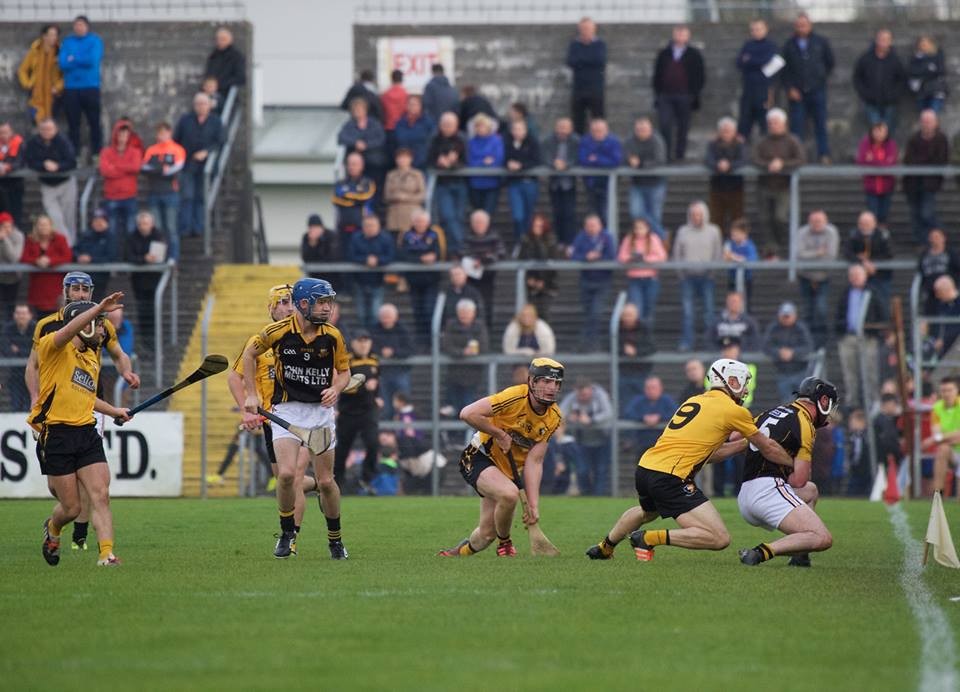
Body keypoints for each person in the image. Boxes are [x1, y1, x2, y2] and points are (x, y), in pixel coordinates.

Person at [585, 358, 793, 561]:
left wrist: (742, 444)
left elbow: (708, 455)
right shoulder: (734, 410)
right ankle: (647, 538)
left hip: (646, 468)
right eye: (743, 382)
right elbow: (767, 447)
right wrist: (795, 464)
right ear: (731, 381)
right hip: (670, 477)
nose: (746, 390)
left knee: (647, 513)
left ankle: (605, 547)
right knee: (719, 538)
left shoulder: (694, 400)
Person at [242, 278, 352, 560]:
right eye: (321, 302)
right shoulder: (276, 332)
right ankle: (287, 532)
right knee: (287, 475)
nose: (327, 308)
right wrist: (251, 395)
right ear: (304, 304)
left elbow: (344, 372)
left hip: (320, 414)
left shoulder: (333, 336)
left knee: (325, 481)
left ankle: (335, 540)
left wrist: (336, 389)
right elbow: (249, 354)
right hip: (287, 410)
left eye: (329, 302)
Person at [33, 293, 131, 567]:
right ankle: (53, 527)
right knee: (72, 508)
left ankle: (106, 554)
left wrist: (115, 411)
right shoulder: (51, 346)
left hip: (86, 433)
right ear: (83, 325)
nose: (103, 330)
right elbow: (67, 331)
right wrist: (98, 308)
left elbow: (87, 397)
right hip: (56, 434)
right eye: (98, 325)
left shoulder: (90, 358)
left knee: (100, 494)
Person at [439, 358, 563, 557]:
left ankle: (456, 554)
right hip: (478, 456)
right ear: (532, 381)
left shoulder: (554, 417)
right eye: (546, 381)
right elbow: (467, 413)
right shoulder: (514, 397)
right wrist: (499, 434)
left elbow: (535, 461)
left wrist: (533, 505)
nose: (552, 388)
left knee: (486, 534)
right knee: (509, 494)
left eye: (556, 383)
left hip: (506, 471)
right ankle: (505, 543)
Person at [737, 377, 839, 567]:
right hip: (767, 492)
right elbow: (799, 480)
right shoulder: (804, 422)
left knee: (810, 491)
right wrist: (791, 464)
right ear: (823, 401)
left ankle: (800, 555)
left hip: (745, 494)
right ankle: (760, 553)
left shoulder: (771, 412)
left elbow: (737, 437)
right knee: (823, 538)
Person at [213, 284, 295, 499]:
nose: (290, 308)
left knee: (292, 477)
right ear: (271, 308)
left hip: (302, 416)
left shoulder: (310, 337)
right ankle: (319, 487)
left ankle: (322, 488)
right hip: (272, 421)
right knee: (284, 481)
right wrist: (246, 411)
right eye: (283, 302)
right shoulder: (260, 341)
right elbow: (234, 378)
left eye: (294, 302)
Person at [781, 12, 834, 163]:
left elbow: (830, 62)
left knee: (820, 124)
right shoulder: (789, 45)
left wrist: (820, 77)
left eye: (804, 25)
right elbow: (784, 70)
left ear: (810, 25)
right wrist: (790, 88)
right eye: (798, 25)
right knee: (796, 127)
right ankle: (797, 157)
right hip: (797, 93)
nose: (801, 28)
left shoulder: (821, 42)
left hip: (817, 90)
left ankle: (824, 155)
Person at [334, 331, 381, 493]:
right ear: (353, 343)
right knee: (342, 449)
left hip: (368, 411)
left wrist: (377, 396)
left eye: (366, 341)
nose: (363, 345)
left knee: (373, 443)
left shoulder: (374, 359)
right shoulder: (346, 361)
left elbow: (377, 381)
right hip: (348, 411)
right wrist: (362, 387)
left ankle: (367, 478)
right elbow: (342, 385)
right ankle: (337, 482)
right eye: (360, 341)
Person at [752, 108, 805, 252]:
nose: (773, 126)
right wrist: (768, 165)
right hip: (764, 184)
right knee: (764, 218)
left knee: (780, 217)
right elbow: (754, 158)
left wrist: (783, 164)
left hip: (784, 186)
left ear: (784, 124)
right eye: (770, 123)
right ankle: (770, 247)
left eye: (776, 123)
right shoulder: (762, 141)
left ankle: (781, 243)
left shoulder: (792, 141)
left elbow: (800, 159)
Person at [673, 200, 722, 351]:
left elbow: (717, 252)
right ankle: (687, 342)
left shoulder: (714, 231)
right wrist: (681, 273)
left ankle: (710, 343)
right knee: (688, 312)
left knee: (709, 312)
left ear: (705, 215)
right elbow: (677, 253)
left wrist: (713, 272)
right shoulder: (682, 231)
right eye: (693, 214)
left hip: (707, 277)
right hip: (687, 277)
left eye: (699, 214)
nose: (696, 217)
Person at [652, 25, 705, 161]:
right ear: (674, 35)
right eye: (678, 33)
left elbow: (700, 75)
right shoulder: (664, 53)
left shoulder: (694, 54)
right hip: (665, 96)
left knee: (683, 127)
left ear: (688, 36)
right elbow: (657, 74)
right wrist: (658, 93)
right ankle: (666, 155)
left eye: (683, 34)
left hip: (685, 96)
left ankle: (680, 155)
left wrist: (693, 94)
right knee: (664, 124)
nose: (680, 36)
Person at [174, 93, 223, 237]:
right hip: (188, 165)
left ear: (209, 106)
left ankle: (199, 228)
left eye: (204, 104)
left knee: (201, 197)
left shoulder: (216, 121)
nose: (201, 107)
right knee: (187, 196)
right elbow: (176, 140)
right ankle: (185, 228)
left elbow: (220, 141)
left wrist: (206, 152)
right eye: (198, 104)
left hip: (206, 166)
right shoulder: (185, 120)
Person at [835, 264, 883, 410]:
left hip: (867, 338)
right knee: (849, 373)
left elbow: (881, 313)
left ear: (865, 276)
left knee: (870, 371)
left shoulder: (873, 292)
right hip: (848, 338)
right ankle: (853, 403)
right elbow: (839, 314)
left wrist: (874, 330)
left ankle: (873, 402)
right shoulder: (845, 293)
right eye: (852, 275)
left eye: (858, 275)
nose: (855, 278)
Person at [24, 118, 77, 244]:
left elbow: (72, 161)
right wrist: (43, 165)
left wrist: (58, 166)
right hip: (47, 184)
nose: (46, 132)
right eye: (43, 129)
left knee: (68, 217)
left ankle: (71, 245)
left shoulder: (63, 141)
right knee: (55, 217)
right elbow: (30, 162)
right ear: (39, 130)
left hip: (66, 182)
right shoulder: (33, 142)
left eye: (49, 129)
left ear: (55, 129)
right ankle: (67, 245)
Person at [398, 209, 445, 352]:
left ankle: (432, 341)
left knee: (429, 310)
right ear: (413, 222)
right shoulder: (406, 236)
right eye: (418, 221)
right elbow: (403, 255)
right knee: (417, 312)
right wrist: (421, 259)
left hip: (431, 280)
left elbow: (439, 253)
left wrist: (429, 257)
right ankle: (421, 342)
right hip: (414, 281)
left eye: (423, 221)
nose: (420, 224)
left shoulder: (434, 235)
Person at [58, 16, 103, 159]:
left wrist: (74, 58)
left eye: (81, 25)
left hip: (90, 87)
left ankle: (96, 153)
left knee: (94, 122)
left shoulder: (95, 41)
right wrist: (79, 59)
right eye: (76, 25)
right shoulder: (68, 42)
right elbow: (63, 63)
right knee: (73, 124)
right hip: (71, 88)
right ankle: (74, 155)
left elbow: (92, 60)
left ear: (87, 27)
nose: (79, 27)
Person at [560, 379, 613, 496]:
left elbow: (608, 414)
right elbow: (560, 413)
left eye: (585, 394)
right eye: (580, 395)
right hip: (581, 441)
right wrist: (570, 417)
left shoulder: (600, 395)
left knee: (601, 470)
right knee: (582, 470)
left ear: (591, 389)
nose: (582, 398)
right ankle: (586, 495)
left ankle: (599, 497)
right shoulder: (572, 397)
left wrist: (591, 420)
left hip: (602, 439)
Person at [570, 213, 616, 350]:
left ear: (600, 226)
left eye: (594, 225)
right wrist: (586, 257)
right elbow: (573, 255)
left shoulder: (607, 237)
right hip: (586, 280)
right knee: (588, 313)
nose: (591, 228)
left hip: (602, 281)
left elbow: (612, 256)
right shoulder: (581, 237)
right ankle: (589, 343)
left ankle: (589, 343)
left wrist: (598, 258)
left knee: (596, 313)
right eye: (588, 225)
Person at [141, 122, 186, 260]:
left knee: (171, 227)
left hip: (170, 192)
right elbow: (144, 168)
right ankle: (159, 258)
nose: (162, 136)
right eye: (160, 133)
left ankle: (173, 258)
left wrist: (157, 169)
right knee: (157, 228)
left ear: (169, 133)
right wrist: (161, 169)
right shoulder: (151, 150)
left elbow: (175, 169)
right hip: (154, 191)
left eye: (164, 133)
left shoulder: (177, 149)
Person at [903, 109, 948, 246]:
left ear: (936, 123)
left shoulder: (941, 139)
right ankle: (923, 244)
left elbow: (940, 160)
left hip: (930, 184)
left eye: (929, 121)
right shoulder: (913, 139)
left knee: (927, 214)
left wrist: (922, 162)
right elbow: (908, 160)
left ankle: (940, 240)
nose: (926, 124)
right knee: (915, 216)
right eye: (924, 121)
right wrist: (926, 161)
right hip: (912, 184)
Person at [796, 210, 839, 348]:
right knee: (807, 310)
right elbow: (799, 255)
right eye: (813, 221)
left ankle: (821, 344)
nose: (816, 224)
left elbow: (831, 256)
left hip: (824, 277)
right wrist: (818, 253)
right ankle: (807, 343)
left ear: (826, 221)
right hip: (805, 276)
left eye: (819, 221)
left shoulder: (831, 232)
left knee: (821, 310)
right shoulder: (802, 232)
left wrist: (810, 256)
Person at [441, 298, 489, 418]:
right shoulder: (451, 325)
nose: (464, 315)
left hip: (473, 373)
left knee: (468, 404)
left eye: (467, 313)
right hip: (454, 372)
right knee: (454, 406)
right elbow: (446, 346)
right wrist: (462, 352)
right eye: (462, 312)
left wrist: (475, 352)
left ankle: (467, 428)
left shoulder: (479, 326)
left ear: (473, 313)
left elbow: (484, 346)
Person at [427, 112, 467, 255]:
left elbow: (467, 161)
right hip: (442, 184)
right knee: (448, 216)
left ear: (456, 126)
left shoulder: (462, 140)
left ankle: (456, 248)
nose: (447, 127)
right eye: (445, 124)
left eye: (450, 125)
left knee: (459, 217)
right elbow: (428, 161)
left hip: (460, 183)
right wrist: (440, 163)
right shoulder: (434, 140)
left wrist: (453, 163)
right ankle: (460, 246)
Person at [853, 29, 906, 132]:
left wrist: (894, 95)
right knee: (875, 133)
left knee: (888, 133)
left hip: (890, 104)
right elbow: (857, 77)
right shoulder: (866, 58)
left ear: (890, 42)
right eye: (881, 39)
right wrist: (865, 94)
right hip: (871, 103)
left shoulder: (895, 60)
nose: (883, 42)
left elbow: (902, 79)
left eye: (886, 39)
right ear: (876, 40)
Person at [462, 208, 505, 332]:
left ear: (487, 223)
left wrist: (482, 259)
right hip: (470, 279)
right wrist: (484, 257)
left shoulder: (494, 236)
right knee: (470, 306)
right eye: (476, 222)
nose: (479, 225)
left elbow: (500, 253)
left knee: (487, 306)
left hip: (487, 278)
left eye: (481, 222)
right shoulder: (467, 236)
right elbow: (464, 253)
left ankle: (486, 332)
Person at [617, 217, 666, 327]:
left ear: (647, 228)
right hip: (634, 279)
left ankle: (647, 335)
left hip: (651, 279)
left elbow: (662, 256)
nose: (639, 231)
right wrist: (631, 258)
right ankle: (636, 334)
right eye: (636, 228)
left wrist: (645, 259)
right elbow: (621, 256)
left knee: (649, 309)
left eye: (641, 228)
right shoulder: (629, 239)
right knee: (636, 309)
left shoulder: (653, 239)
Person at [127, 211, 166, 348]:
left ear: (152, 224)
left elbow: (160, 256)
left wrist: (146, 259)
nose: (143, 226)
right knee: (142, 311)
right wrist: (144, 259)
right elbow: (128, 256)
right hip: (138, 280)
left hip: (154, 279)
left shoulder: (159, 236)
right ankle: (146, 341)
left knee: (153, 310)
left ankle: (154, 340)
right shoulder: (132, 237)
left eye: (146, 223)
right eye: (141, 224)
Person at [623, 116, 667, 237]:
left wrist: (640, 163)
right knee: (635, 213)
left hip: (656, 184)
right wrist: (629, 160)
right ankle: (663, 235)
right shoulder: (630, 141)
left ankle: (655, 242)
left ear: (650, 129)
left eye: (644, 129)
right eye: (639, 129)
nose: (641, 132)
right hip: (637, 184)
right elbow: (625, 156)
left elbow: (660, 160)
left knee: (655, 216)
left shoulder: (657, 141)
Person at [348, 214, 394, 329]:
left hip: (378, 282)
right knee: (361, 314)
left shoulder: (386, 238)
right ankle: (363, 335)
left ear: (378, 226)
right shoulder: (356, 238)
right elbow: (351, 256)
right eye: (367, 225)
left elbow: (391, 256)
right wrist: (365, 260)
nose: (370, 228)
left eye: (373, 225)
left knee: (375, 314)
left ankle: (374, 337)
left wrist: (378, 260)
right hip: (359, 281)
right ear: (363, 227)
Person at [845, 210, 894, 318]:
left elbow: (889, 254)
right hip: (860, 278)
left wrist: (872, 262)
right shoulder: (854, 235)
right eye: (862, 223)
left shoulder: (883, 235)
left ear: (874, 223)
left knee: (882, 302)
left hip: (881, 276)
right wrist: (862, 262)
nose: (864, 226)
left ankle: (883, 324)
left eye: (867, 224)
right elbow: (848, 252)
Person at [99, 118, 143, 238]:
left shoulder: (135, 152)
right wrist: (125, 169)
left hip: (129, 196)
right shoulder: (106, 152)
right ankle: (113, 251)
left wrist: (115, 166)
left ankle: (130, 251)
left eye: (125, 134)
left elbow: (136, 167)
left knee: (131, 230)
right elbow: (105, 171)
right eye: (120, 134)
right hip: (111, 196)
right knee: (112, 231)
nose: (123, 137)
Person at [20, 215, 71, 317]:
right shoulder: (30, 240)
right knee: (39, 319)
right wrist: (36, 261)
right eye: (41, 224)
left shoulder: (60, 239)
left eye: (46, 224)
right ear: (36, 226)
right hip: (37, 287)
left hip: (55, 287)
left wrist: (50, 261)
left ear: (51, 226)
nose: (43, 227)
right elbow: (24, 257)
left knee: (56, 319)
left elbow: (67, 256)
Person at [762, 302, 814, 402]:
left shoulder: (801, 328)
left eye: (788, 316)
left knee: (803, 401)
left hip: (800, 371)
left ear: (795, 316)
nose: (786, 319)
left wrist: (793, 353)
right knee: (786, 403)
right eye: (784, 316)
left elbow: (808, 346)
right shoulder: (774, 328)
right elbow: (766, 346)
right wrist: (779, 352)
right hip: (782, 372)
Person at [736, 18, 777, 140]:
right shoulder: (748, 45)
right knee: (744, 123)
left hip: (764, 90)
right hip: (748, 90)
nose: (755, 32)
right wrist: (755, 62)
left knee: (764, 123)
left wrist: (749, 60)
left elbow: (766, 61)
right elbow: (739, 63)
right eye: (753, 30)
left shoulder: (771, 46)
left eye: (758, 29)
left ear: (766, 29)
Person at [370, 303, 413, 420]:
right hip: (382, 373)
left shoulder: (403, 330)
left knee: (403, 404)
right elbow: (369, 348)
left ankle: (404, 428)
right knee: (385, 406)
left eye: (388, 317)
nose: (386, 320)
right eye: (384, 317)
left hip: (400, 372)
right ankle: (386, 429)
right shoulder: (374, 330)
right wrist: (381, 352)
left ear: (396, 317)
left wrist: (393, 352)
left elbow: (410, 349)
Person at [541, 117, 579, 246]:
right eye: (560, 127)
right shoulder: (548, 140)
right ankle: (559, 243)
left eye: (565, 128)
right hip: (554, 183)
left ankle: (569, 243)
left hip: (569, 184)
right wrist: (553, 164)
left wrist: (566, 165)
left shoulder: (576, 141)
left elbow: (577, 157)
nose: (562, 130)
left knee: (569, 214)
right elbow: (544, 156)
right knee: (556, 213)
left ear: (571, 129)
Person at [705, 117, 747, 235]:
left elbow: (743, 160)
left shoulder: (740, 144)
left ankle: (738, 242)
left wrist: (730, 165)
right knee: (716, 219)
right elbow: (708, 160)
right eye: (724, 131)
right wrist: (717, 165)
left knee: (737, 219)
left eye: (729, 131)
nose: (726, 133)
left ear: (734, 132)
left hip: (735, 187)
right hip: (717, 187)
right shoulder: (712, 144)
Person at [338, 97, 387, 197]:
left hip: (372, 162)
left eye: (360, 109)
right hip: (355, 163)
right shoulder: (349, 125)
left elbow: (381, 139)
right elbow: (341, 138)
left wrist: (367, 145)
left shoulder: (375, 124)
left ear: (365, 110)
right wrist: (355, 143)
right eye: (355, 110)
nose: (358, 112)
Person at [566, 17, 606, 134]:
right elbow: (571, 62)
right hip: (578, 88)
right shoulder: (574, 44)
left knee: (598, 119)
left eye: (588, 28)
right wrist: (589, 60)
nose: (586, 31)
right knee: (578, 121)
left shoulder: (600, 44)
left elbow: (600, 61)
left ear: (594, 29)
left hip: (596, 88)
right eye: (583, 28)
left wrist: (582, 60)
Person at [504, 119, 541, 245]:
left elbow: (536, 160)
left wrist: (521, 166)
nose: (517, 132)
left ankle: (526, 243)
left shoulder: (532, 142)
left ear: (525, 130)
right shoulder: (507, 142)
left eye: (520, 129)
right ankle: (519, 240)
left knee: (528, 215)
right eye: (515, 129)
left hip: (530, 183)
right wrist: (508, 163)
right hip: (514, 183)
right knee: (517, 215)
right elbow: (503, 158)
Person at [578, 118, 622, 223]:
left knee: (606, 212)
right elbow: (583, 160)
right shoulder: (585, 141)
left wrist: (597, 159)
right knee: (593, 213)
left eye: (600, 130)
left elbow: (615, 161)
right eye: (594, 131)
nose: (597, 133)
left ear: (606, 130)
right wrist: (602, 161)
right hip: (591, 182)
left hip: (608, 183)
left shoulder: (614, 141)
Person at [18, 24, 63, 124]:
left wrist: (58, 87)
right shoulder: (35, 51)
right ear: (44, 36)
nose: (53, 38)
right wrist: (28, 84)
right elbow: (22, 70)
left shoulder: (60, 52)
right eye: (51, 35)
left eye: (55, 35)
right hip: (36, 94)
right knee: (36, 121)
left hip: (53, 94)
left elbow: (67, 74)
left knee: (51, 123)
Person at [922, 376, 960, 496]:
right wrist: (942, 438)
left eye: (950, 390)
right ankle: (938, 494)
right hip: (952, 451)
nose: (946, 394)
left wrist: (935, 439)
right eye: (943, 390)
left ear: (957, 390)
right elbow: (937, 434)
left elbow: (938, 437)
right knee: (942, 449)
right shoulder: (937, 408)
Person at [855, 121, 898, 227]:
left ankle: (882, 234)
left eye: (882, 131)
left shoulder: (891, 144)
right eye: (876, 131)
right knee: (872, 214)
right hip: (871, 186)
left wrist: (872, 160)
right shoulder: (865, 143)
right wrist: (881, 163)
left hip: (887, 185)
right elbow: (861, 161)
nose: (879, 134)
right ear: (872, 131)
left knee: (883, 215)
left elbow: (891, 163)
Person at [517, 213, 559, 319]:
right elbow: (521, 259)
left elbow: (553, 263)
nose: (537, 228)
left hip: (547, 283)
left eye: (540, 226)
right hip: (530, 283)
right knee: (530, 314)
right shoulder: (526, 240)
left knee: (544, 313)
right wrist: (529, 279)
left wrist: (543, 281)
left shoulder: (550, 240)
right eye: (535, 226)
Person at [625, 376, 677, 457]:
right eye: (648, 388)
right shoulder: (639, 400)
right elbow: (628, 413)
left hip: (663, 445)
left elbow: (676, 413)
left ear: (660, 388)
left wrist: (660, 418)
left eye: (653, 388)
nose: (651, 391)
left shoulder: (667, 400)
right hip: (642, 444)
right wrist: (643, 418)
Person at [617, 303, 656, 411]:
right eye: (625, 315)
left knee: (643, 403)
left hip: (642, 372)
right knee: (624, 403)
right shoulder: (616, 328)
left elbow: (652, 347)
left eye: (630, 315)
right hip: (624, 372)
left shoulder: (644, 328)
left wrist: (636, 351)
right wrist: (623, 350)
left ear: (636, 316)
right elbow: (609, 346)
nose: (627, 318)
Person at [332, 152, 375, 250]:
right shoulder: (340, 183)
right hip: (343, 226)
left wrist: (346, 195)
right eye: (350, 164)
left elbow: (366, 196)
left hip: (362, 227)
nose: (352, 167)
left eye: (355, 164)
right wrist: (355, 200)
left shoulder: (368, 182)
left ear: (361, 166)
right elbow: (336, 200)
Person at [466, 114, 504, 216]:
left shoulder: (496, 141)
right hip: (475, 183)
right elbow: (469, 161)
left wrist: (483, 162)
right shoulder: (471, 142)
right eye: (478, 126)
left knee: (488, 214)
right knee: (477, 213)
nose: (480, 128)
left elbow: (498, 159)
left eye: (482, 126)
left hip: (492, 183)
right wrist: (483, 162)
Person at [73, 207, 116, 296]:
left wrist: (91, 259)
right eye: (96, 220)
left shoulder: (111, 237)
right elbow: (74, 250)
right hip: (82, 278)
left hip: (100, 278)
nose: (98, 223)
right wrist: (78, 257)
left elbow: (112, 257)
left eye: (101, 221)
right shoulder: (85, 235)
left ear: (106, 222)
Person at [918, 228, 960, 315]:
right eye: (932, 237)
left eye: (937, 237)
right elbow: (921, 271)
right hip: (931, 293)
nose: (935, 240)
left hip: (948, 292)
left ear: (943, 238)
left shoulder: (951, 253)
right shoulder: (924, 255)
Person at [384, 148, 426, 234]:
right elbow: (386, 195)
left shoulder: (417, 174)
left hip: (412, 212)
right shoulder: (391, 175)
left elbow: (422, 195)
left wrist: (406, 197)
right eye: (400, 158)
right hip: (395, 213)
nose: (402, 160)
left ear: (411, 159)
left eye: (405, 157)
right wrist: (396, 197)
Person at [2, 303, 34, 410]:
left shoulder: (36, 328)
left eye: (24, 313)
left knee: (30, 404)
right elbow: (5, 348)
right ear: (14, 315)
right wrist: (27, 350)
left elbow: (37, 349)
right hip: (13, 373)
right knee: (15, 404)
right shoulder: (7, 328)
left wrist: (18, 349)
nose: (21, 316)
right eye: (18, 313)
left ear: (30, 315)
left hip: (32, 374)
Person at [723, 219, 759, 306]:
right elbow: (726, 257)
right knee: (732, 301)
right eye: (732, 235)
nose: (733, 237)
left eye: (735, 234)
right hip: (732, 278)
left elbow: (752, 259)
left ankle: (745, 313)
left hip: (746, 279)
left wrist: (735, 257)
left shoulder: (749, 245)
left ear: (744, 234)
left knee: (746, 302)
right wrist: (731, 257)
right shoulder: (729, 244)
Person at [394, 95, 434, 171]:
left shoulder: (428, 122)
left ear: (421, 106)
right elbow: (397, 141)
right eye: (410, 104)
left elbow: (431, 142)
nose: (412, 107)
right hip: (403, 163)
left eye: (415, 104)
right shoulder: (400, 123)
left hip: (422, 162)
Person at [908, 35, 947, 113]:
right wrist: (928, 68)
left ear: (931, 45)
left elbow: (941, 71)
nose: (923, 47)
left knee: (932, 115)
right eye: (921, 45)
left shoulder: (937, 55)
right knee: (923, 116)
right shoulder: (916, 58)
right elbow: (913, 72)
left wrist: (926, 70)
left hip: (935, 91)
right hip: (921, 92)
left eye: (925, 45)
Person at [204, 27, 246, 97]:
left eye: (223, 39)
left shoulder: (237, 57)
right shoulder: (213, 56)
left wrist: (218, 85)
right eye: (218, 39)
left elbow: (240, 78)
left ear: (230, 40)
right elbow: (208, 76)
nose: (220, 41)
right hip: (209, 92)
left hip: (226, 93)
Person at [0, 122, 26, 229]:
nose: (3, 135)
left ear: (11, 132)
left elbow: (21, 161)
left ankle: (16, 232)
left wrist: (7, 167)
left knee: (15, 214)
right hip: (1, 184)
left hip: (15, 184)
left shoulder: (19, 143)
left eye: (5, 132)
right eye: (1, 133)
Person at [0, 212, 25, 317]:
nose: (7, 229)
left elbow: (14, 258)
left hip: (13, 277)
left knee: (10, 306)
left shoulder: (18, 236)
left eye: (8, 226)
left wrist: (4, 240)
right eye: (3, 226)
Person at [380, 70, 407, 141]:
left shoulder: (385, 94)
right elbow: (405, 110)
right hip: (401, 126)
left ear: (391, 79)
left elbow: (382, 110)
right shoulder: (404, 94)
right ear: (402, 79)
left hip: (388, 127)